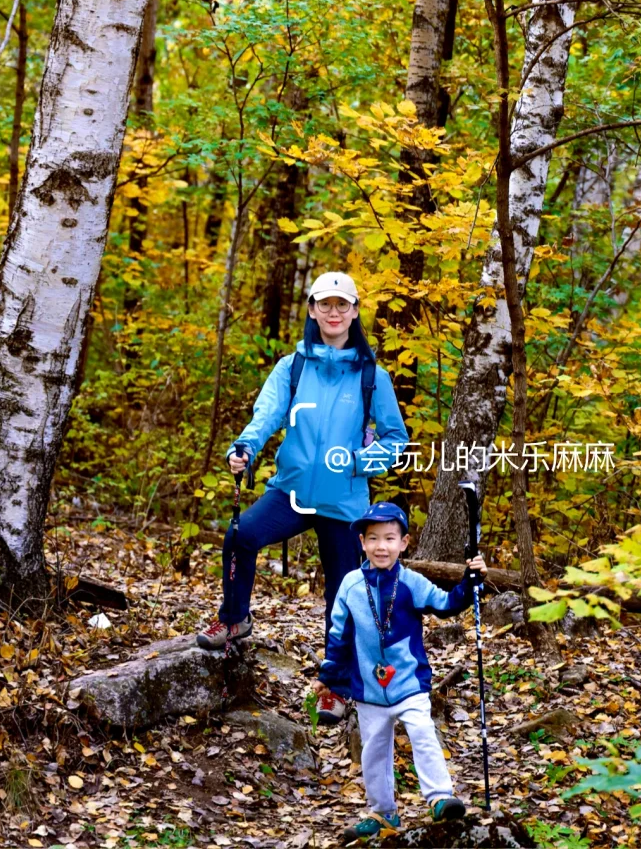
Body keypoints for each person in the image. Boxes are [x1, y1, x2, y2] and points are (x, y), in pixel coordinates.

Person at [197, 271, 409, 729]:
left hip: (345, 505)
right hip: (290, 491)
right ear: (312, 310)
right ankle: (234, 619)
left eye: (342, 305)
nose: (334, 313)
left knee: (343, 594)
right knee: (240, 535)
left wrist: (357, 463)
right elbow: (266, 414)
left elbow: (395, 439)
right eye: (325, 305)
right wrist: (245, 448)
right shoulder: (292, 367)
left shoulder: (373, 376)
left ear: (354, 312)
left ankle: (335, 685)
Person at [312, 501, 488, 842]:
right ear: (362, 543)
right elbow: (338, 634)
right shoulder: (350, 585)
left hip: (409, 682)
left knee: (422, 731)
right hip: (368, 686)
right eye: (373, 538)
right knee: (373, 749)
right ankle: (382, 813)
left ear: (404, 543)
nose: (382, 546)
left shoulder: (412, 582)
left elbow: (447, 604)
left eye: (390, 538)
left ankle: (439, 797)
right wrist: (329, 678)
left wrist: (471, 581)